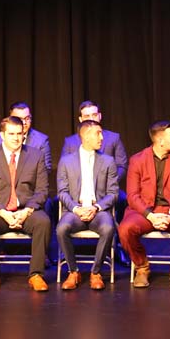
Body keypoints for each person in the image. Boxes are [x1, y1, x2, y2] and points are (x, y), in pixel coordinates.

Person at [118, 120, 170, 289]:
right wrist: (151, 216)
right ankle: (141, 267)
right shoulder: (137, 160)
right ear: (161, 141)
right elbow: (132, 196)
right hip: (146, 211)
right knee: (125, 230)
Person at [0, 115, 52, 292]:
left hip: (26, 210)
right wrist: (2, 212)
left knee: (43, 222)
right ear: (2, 135)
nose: (16, 138)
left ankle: (36, 274)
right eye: (11, 134)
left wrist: (26, 211)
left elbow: (42, 190)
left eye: (20, 133)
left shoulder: (36, 156)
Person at [56, 120, 118, 290]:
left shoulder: (108, 161)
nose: (102, 137)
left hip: (98, 210)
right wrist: (76, 208)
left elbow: (113, 193)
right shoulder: (66, 161)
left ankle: (96, 272)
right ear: (85, 136)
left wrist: (96, 207)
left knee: (108, 228)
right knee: (61, 229)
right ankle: (73, 271)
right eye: (98, 133)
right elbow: (62, 191)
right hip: (75, 210)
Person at [60, 100, 128, 183]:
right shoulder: (70, 142)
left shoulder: (113, 138)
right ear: (81, 119)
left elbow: (122, 166)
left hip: (108, 189)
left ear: (100, 116)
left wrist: (110, 181)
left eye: (94, 115)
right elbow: (63, 169)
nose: (91, 119)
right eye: (87, 116)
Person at [0, 101, 52, 174]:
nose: (24, 123)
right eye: (19, 119)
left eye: (27, 118)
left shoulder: (41, 140)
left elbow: (46, 169)